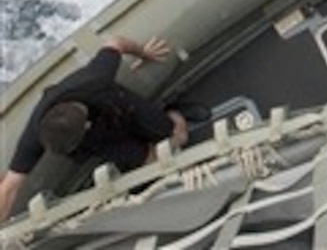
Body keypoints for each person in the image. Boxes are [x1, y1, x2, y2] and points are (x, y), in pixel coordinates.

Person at [0, 35, 188, 223]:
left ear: (86, 125)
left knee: (178, 136)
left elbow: (115, 42)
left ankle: (172, 110)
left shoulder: (96, 78)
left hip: (118, 106)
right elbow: (9, 186)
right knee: (151, 160)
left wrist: (143, 52)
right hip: (101, 140)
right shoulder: (35, 134)